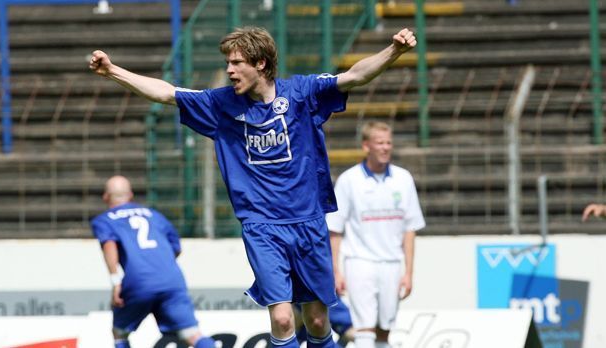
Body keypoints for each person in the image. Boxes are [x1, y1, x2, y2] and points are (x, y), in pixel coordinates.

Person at [89, 26, 416, 347]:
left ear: (260, 63)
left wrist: (394, 51)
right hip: (262, 226)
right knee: (284, 318)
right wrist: (114, 71)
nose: (229, 71)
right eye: (227, 63)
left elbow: (355, 75)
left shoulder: (302, 93)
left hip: (309, 222)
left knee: (317, 320)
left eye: (236, 63)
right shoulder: (220, 104)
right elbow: (166, 92)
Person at [326, 121, 426, 348]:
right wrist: (336, 271)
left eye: (388, 142)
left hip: (392, 263)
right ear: (366, 146)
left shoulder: (403, 179)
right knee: (364, 328)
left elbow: (410, 229)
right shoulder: (349, 180)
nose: (385, 148)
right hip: (360, 263)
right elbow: (335, 229)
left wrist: (408, 272)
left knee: (384, 329)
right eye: (379, 143)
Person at [91, 175, 215, 348]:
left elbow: (109, 245)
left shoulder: (104, 220)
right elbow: (176, 247)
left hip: (138, 280)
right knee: (192, 334)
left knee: (120, 332)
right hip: (171, 279)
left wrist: (115, 280)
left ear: (106, 197)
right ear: (130, 195)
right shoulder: (155, 215)